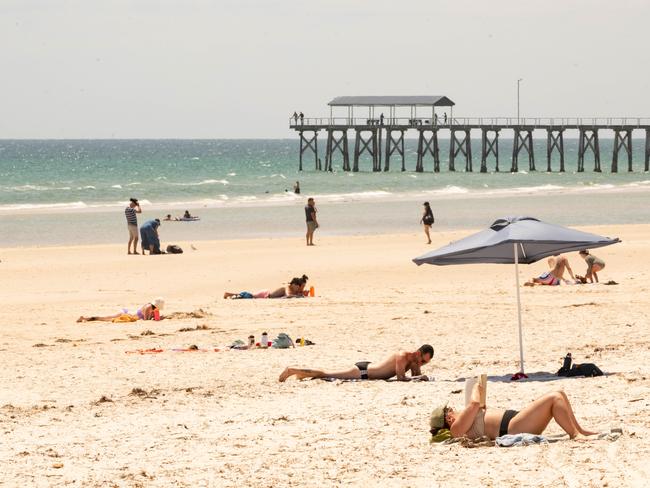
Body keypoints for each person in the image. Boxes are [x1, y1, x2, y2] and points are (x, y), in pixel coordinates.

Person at [429, 383, 597, 441]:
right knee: (554, 398)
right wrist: (475, 387)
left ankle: (579, 430)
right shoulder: (456, 428)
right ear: (448, 417)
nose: (454, 409)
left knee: (560, 394)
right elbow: (474, 403)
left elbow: (478, 407)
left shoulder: (463, 421)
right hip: (513, 427)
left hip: (515, 421)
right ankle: (575, 435)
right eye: (450, 409)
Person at [279, 344, 433, 382]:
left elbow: (417, 376)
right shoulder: (403, 356)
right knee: (325, 373)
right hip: (362, 371)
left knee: (325, 374)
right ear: (418, 353)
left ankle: (300, 375)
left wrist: (418, 371)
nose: (422, 363)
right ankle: (292, 370)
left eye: (425, 362)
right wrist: (420, 377)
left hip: (369, 369)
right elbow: (401, 378)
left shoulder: (413, 361)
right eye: (422, 360)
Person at [77, 298, 165, 322]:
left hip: (128, 314)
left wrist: (158, 317)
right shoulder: (148, 307)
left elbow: (156, 318)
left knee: (105, 319)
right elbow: (146, 319)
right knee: (104, 318)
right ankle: (85, 318)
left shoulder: (154, 308)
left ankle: (85, 318)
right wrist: (157, 318)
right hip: (125, 314)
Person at [224, 275, 309, 299]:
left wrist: (302, 294)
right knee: (249, 296)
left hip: (267, 294)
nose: (299, 289)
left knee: (250, 296)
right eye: (298, 287)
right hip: (265, 294)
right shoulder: (287, 287)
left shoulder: (293, 289)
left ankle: (229, 294)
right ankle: (228, 294)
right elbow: (288, 295)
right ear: (294, 284)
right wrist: (299, 295)